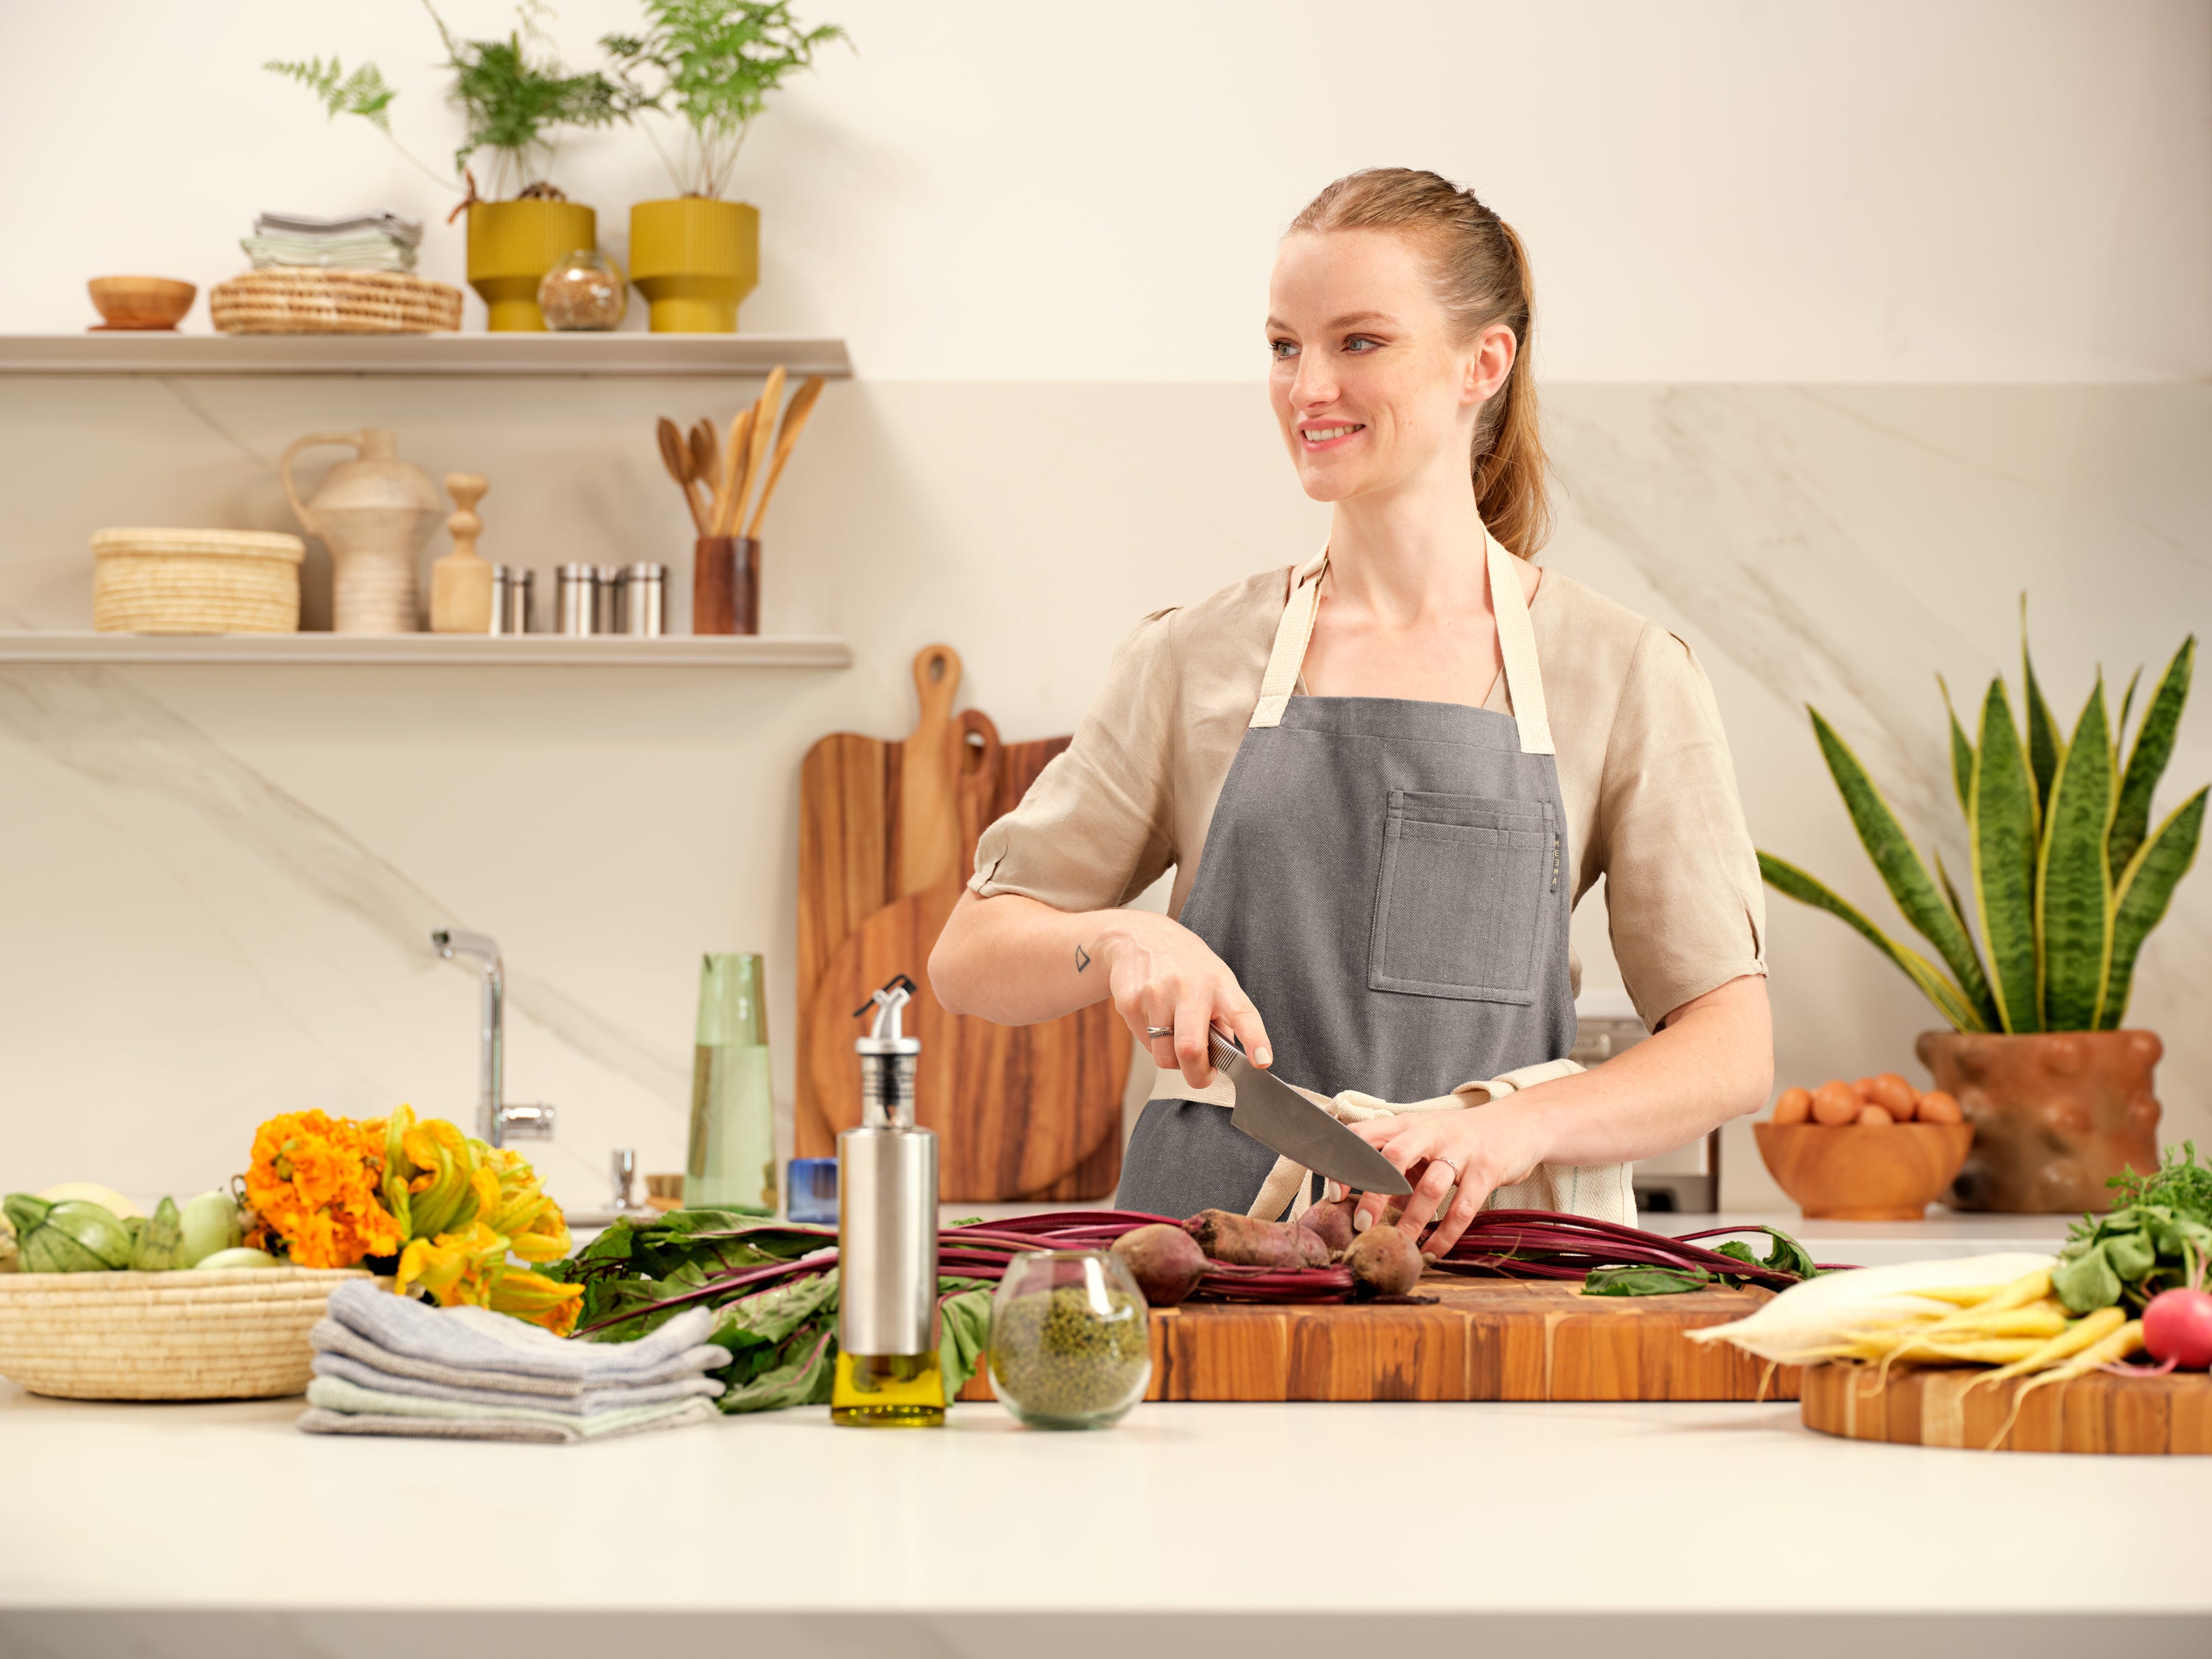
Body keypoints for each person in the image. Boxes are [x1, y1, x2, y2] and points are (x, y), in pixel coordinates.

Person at [931, 167, 1770, 1255]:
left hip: (1481, 1269)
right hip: (1210, 1255)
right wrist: (1121, 936)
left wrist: (1520, 1126)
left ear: (1485, 362)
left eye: (1358, 342)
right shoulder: (1191, 657)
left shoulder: (1621, 670)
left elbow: (1730, 1041)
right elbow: (968, 956)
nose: (1308, 386)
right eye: (1284, 346)